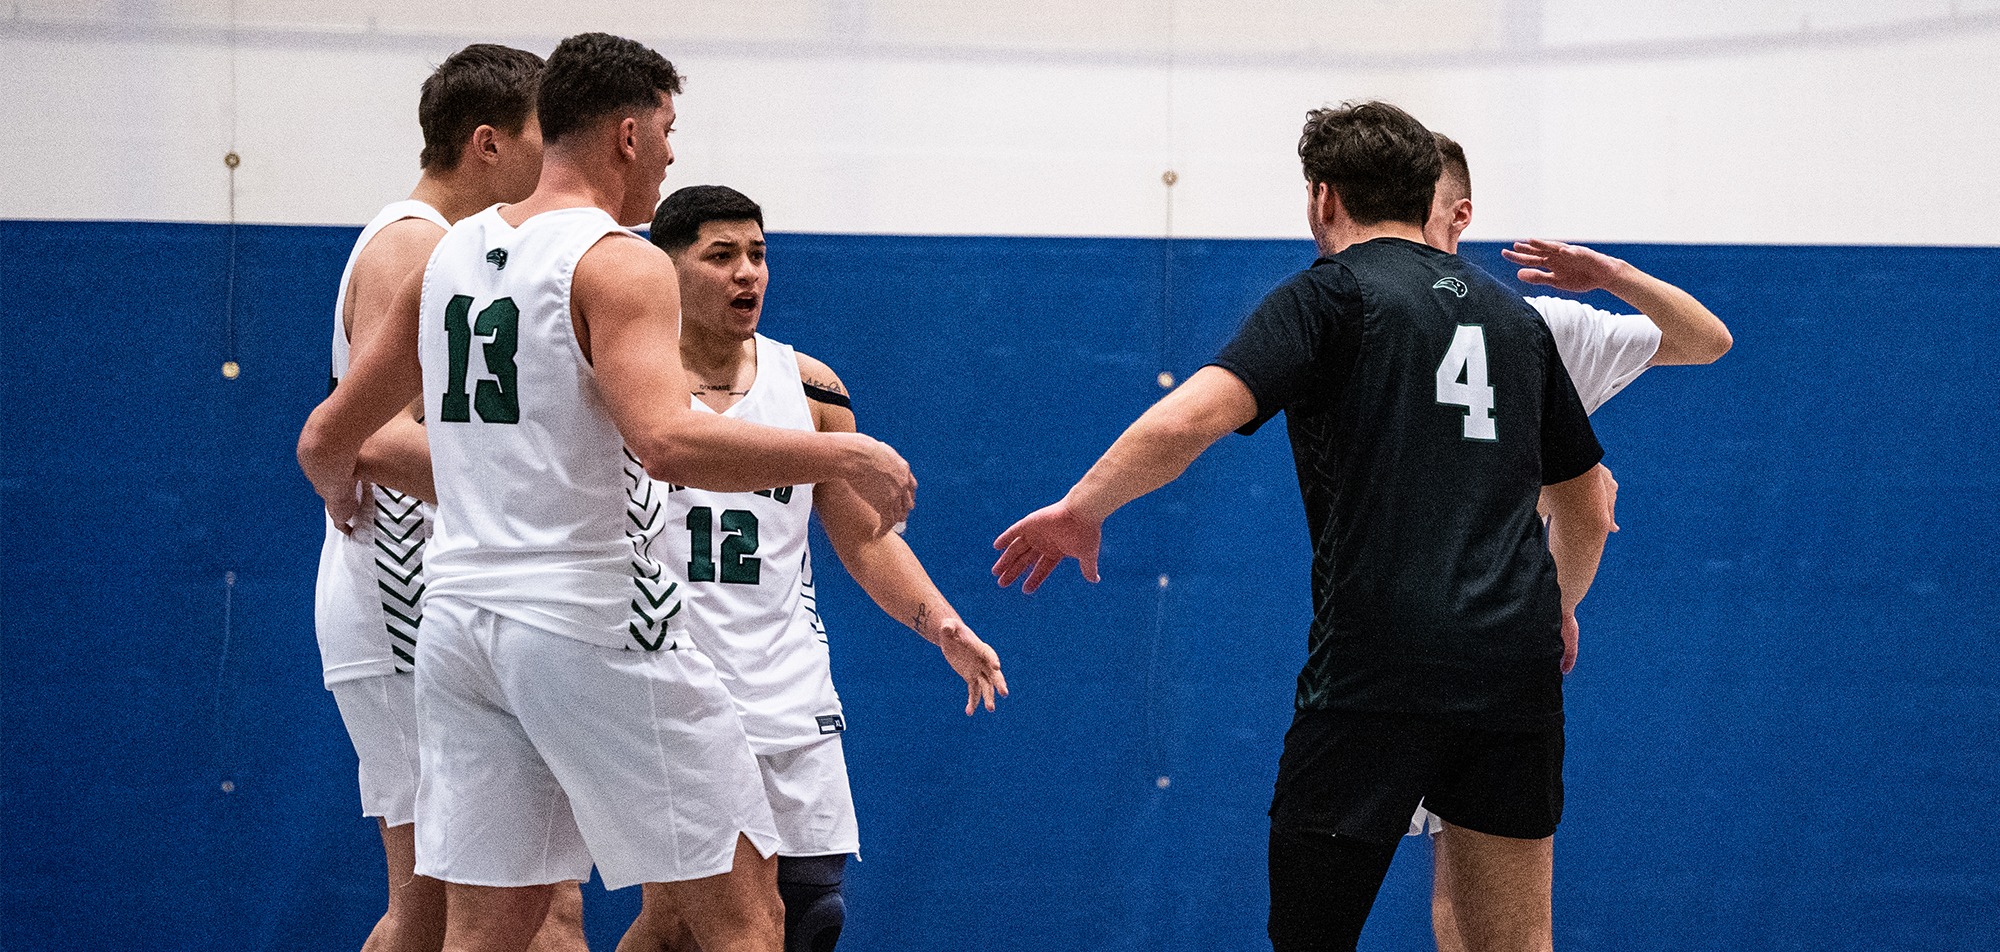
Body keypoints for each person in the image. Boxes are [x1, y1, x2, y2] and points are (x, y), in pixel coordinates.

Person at [297, 32, 917, 952]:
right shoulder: (618, 260)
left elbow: (324, 437)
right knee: (749, 915)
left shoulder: (448, 258)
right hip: (595, 614)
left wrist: (351, 500)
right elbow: (667, 442)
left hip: (461, 623)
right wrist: (843, 454)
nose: (672, 153)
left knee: (489, 928)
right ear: (628, 134)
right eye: (668, 130)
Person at [990, 100, 1613, 952]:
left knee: (1312, 936)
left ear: (1324, 198)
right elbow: (1588, 502)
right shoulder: (1515, 320)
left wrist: (1080, 508)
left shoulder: (1332, 296)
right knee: (1515, 940)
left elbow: (1186, 422)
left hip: (1378, 669)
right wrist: (1558, 607)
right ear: (1425, 189)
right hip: (1513, 667)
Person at [626, 184, 1008, 952]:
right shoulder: (629, 385)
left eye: (758, 255)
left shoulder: (811, 389)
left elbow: (865, 540)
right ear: (666, 269)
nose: (748, 275)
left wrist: (942, 625)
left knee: (810, 911)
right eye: (722, 255)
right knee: (687, 923)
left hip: (786, 681)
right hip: (669, 680)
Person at [1410, 134, 1732, 952]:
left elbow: (1704, 340)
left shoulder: (1535, 327)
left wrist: (1613, 274)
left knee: (1494, 903)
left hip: (1474, 644)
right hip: (1397, 637)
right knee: (1458, 892)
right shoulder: (1362, 317)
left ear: (1459, 215)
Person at [310, 42, 587, 952]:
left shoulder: (460, 250)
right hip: (402, 586)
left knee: (525, 894)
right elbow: (367, 434)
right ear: (488, 145)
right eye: (545, 137)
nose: (558, 159)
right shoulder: (413, 246)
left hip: (445, 586)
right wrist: (532, 486)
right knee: (434, 905)